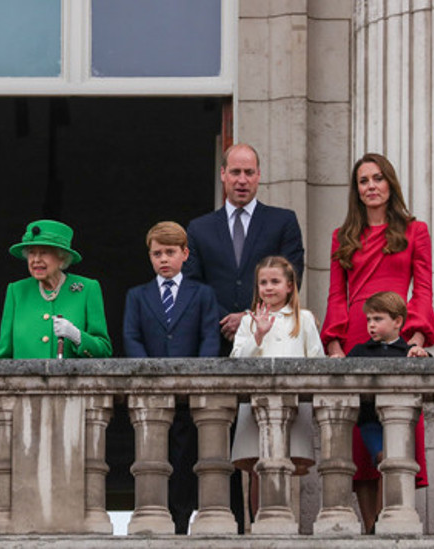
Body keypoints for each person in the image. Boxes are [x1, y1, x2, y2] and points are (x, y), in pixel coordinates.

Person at [184, 143, 304, 530]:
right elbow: (193, 285)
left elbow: (292, 273)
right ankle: (226, 523)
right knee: (216, 443)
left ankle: (264, 524)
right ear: (223, 174)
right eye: (235, 172)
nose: (242, 180)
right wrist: (226, 319)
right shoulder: (200, 228)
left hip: (268, 343)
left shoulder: (282, 221)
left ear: (258, 175)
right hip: (214, 344)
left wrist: (250, 318)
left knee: (264, 445)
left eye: (249, 172)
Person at [320, 153, 434, 532]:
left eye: (377, 178)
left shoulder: (414, 231)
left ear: (390, 184)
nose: (371, 186)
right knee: (359, 439)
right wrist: (335, 347)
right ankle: (370, 528)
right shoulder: (343, 237)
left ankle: (397, 520)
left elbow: (422, 290)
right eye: (363, 181)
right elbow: (336, 296)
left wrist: (416, 339)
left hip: (399, 338)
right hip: (356, 337)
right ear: (356, 190)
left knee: (398, 430)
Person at [123, 221, 219, 533]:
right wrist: (150, 374)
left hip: (189, 394)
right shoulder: (137, 295)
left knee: (186, 459)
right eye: (157, 253)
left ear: (185, 254)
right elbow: (132, 336)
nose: (163, 259)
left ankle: (181, 522)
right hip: (151, 394)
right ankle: (153, 519)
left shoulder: (202, 294)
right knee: (150, 459)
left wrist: (196, 379)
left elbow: (209, 339)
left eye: (170, 252)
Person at [230, 256, 323, 520]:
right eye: (263, 282)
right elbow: (236, 362)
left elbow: (317, 360)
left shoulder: (303, 319)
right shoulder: (249, 321)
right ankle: (260, 522)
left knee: (287, 464)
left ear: (290, 285)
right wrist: (257, 335)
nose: (268, 287)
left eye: (275, 281)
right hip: (255, 404)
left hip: (294, 403)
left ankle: (284, 521)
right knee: (258, 466)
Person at [347, 291, 429, 534]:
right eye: (369, 319)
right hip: (369, 422)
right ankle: (374, 523)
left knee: (393, 461)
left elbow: (433, 370)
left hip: (401, 424)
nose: (371, 325)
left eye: (378, 319)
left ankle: (381, 522)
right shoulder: (360, 351)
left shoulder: (408, 351)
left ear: (398, 321)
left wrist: (422, 354)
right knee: (383, 459)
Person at [0, 219, 111, 359]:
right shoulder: (17, 291)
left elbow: (104, 351)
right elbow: (3, 356)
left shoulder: (87, 289)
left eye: (44, 252)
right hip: (25, 381)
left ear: (62, 258)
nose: (36, 260)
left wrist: (77, 336)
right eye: (32, 253)